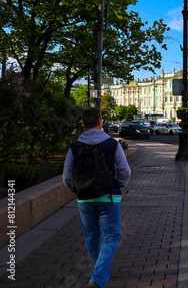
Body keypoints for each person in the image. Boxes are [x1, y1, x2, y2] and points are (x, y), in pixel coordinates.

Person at [63, 107, 131, 288]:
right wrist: (119, 186)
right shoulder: (111, 144)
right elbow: (125, 171)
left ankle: (99, 270)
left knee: (91, 236)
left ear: (83, 125)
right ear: (100, 122)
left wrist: (77, 190)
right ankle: (98, 279)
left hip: (84, 199)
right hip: (108, 197)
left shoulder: (74, 147)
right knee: (111, 237)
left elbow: (66, 176)